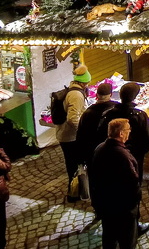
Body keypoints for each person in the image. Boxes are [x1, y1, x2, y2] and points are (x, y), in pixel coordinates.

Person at [90, 118, 142, 249]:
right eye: (128, 129)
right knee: (127, 240)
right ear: (121, 134)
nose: (129, 132)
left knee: (109, 236)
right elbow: (132, 181)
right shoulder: (122, 155)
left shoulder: (100, 148)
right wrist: (135, 201)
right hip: (123, 206)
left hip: (105, 203)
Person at [97, 81, 149, 180]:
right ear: (134, 97)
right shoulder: (139, 115)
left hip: (111, 157)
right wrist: (139, 153)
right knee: (133, 182)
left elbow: (101, 134)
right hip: (134, 156)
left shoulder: (108, 114)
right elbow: (148, 138)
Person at [56, 64, 90, 202]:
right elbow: (72, 118)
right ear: (84, 82)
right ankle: (74, 193)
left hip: (68, 135)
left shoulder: (73, 88)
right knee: (74, 165)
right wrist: (82, 132)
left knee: (74, 164)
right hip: (70, 137)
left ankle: (77, 191)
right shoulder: (76, 95)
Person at [77, 81, 117, 167]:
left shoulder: (87, 113)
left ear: (97, 95)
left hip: (92, 154)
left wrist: (81, 158)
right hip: (112, 152)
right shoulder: (116, 110)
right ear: (110, 95)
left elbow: (80, 135)